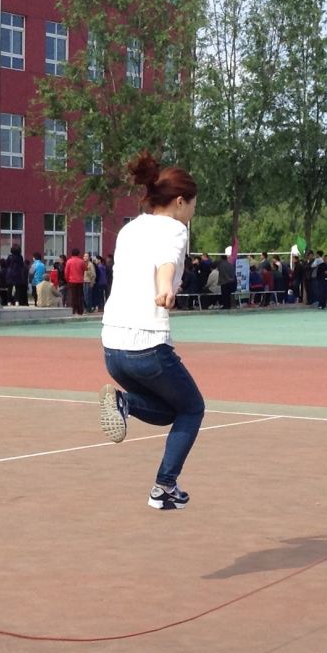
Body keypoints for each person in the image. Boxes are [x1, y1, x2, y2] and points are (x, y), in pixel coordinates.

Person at [96, 151, 205, 511]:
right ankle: (164, 487)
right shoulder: (175, 228)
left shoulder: (130, 228)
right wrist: (165, 288)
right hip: (147, 345)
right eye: (193, 204)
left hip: (112, 346)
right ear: (180, 201)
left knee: (169, 411)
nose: (193, 211)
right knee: (193, 409)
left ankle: (124, 402)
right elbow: (165, 262)